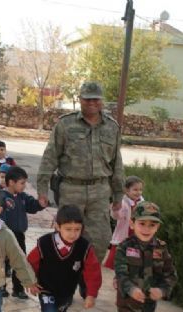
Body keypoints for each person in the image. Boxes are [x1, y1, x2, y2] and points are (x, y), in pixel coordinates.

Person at [36, 81, 125, 261]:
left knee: (100, 238)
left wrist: (118, 194)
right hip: (71, 189)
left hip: (100, 191)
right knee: (66, 235)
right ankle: (66, 274)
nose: (92, 103)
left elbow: (117, 163)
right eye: (87, 99)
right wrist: (42, 189)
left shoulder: (112, 127)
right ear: (80, 100)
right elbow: (50, 157)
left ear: (102, 101)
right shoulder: (65, 124)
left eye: (96, 99)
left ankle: (88, 276)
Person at [27, 205, 102, 312]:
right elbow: (30, 263)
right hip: (46, 290)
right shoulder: (45, 243)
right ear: (57, 226)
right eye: (68, 229)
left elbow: (92, 271)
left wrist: (91, 293)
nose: (73, 233)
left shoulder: (84, 247)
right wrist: (30, 282)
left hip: (66, 292)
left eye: (77, 229)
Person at [0, 166, 45, 299]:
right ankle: (0, 287)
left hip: (19, 235)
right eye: (22, 183)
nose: (24, 186)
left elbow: (31, 205)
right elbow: (0, 218)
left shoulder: (22, 197)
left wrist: (40, 204)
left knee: (20, 262)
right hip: (5, 236)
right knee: (3, 262)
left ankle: (18, 289)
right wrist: (3, 232)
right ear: (11, 182)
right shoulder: (1, 197)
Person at [103, 176, 145, 270]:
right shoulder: (123, 202)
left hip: (136, 234)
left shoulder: (142, 203)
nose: (138, 192)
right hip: (123, 234)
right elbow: (116, 216)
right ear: (126, 190)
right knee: (116, 258)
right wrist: (115, 210)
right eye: (135, 190)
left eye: (140, 190)